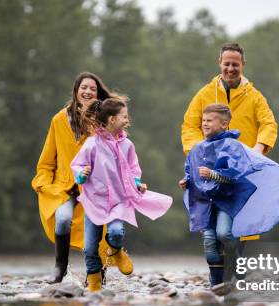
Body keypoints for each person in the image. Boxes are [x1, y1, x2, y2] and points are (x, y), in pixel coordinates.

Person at [179, 104, 279, 286]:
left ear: (224, 124)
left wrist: (213, 175)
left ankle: (238, 262)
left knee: (223, 234)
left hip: (226, 199)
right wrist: (186, 181)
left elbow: (235, 175)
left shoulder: (232, 146)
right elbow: (192, 171)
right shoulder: (197, 149)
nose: (205, 124)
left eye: (210, 121)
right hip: (205, 202)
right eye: (203, 120)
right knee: (209, 244)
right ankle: (216, 285)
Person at [72, 98, 173, 292]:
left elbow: (132, 170)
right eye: (124, 116)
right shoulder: (92, 144)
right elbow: (78, 165)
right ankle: (94, 282)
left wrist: (137, 184)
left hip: (119, 201)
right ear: (111, 120)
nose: (127, 120)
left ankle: (116, 251)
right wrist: (81, 175)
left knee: (116, 232)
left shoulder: (127, 145)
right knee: (90, 246)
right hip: (94, 201)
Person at [32, 72, 119, 284]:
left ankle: (99, 274)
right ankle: (60, 269)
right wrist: (43, 182)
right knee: (62, 220)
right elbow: (47, 159)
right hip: (65, 187)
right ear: (76, 90)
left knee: (100, 228)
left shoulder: (103, 122)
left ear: (98, 94)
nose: (88, 91)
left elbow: (116, 153)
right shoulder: (59, 119)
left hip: (95, 186)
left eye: (92, 88)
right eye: (84, 87)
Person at [181, 43, 278, 155]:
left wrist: (259, 147)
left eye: (235, 64)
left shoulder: (255, 97)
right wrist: (199, 151)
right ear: (220, 63)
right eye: (226, 64)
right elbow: (190, 126)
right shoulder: (204, 94)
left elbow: (269, 124)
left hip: (246, 164)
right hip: (210, 165)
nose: (230, 69)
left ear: (243, 64)